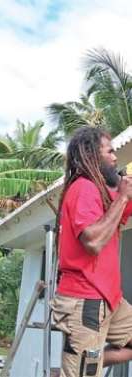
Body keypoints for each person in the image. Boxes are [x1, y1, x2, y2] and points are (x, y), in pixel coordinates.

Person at [51, 127, 132, 377]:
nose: (115, 158)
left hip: (110, 299)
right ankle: (81, 366)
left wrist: (122, 196)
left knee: (87, 367)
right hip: (85, 300)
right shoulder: (83, 188)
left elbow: (122, 213)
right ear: (92, 156)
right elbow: (93, 242)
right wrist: (122, 197)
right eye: (109, 152)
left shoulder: (105, 195)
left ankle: (85, 363)